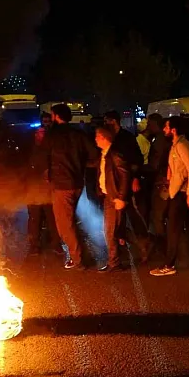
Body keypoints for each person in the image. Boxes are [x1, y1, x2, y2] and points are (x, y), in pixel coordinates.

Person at [46, 104, 99, 270]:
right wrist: (79, 166)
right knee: (70, 221)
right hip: (77, 184)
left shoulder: (52, 135)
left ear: (55, 116)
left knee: (64, 225)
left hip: (62, 185)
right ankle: (82, 254)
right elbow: (94, 156)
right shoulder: (79, 134)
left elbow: (43, 157)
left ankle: (78, 260)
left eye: (52, 115)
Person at [150, 116, 189, 276]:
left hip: (182, 193)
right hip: (177, 192)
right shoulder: (176, 145)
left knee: (173, 229)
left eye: (166, 127)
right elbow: (181, 167)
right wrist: (172, 172)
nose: (163, 129)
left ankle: (169, 265)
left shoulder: (183, 146)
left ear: (173, 130)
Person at [104, 111, 151, 256]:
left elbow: (137, 159)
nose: (106, 124)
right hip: (114, 184)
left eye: (107, 121)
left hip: (127, 182)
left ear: (114, 121)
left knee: (132, 214)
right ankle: (125, 245)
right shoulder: (110, 137)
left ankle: (146, 243)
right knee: (118, 220)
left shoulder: (127, 138)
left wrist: (135, 177)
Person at [94, 126, 130, 273]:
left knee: (110, 231)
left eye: (97, 136)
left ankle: (114, 262)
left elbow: (125, 175)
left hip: (114, 197)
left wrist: (121, 197)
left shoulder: (114, 154)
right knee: (115, 230)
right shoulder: (105, 154)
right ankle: (145, 242)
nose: (95, 139)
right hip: (109, 196)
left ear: (103, 138)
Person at [26, 114, 63, 255]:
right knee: (34, 219)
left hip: (48, 190)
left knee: (52, 218)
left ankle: (56, 243)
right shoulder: (30, 150)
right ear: (35, 135)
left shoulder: (51, 149)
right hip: (33, 190)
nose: (41, 135)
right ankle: (34, 245)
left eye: (43, 133)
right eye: (38, 133)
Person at [142, 114, 172, 262]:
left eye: (149, 123)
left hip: (161, 183)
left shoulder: (160, 141)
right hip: (165, 181)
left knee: (158, 216)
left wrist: (139, 169)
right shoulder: (161, 139)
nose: (148, 126)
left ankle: (163, 248)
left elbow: (155, 165)